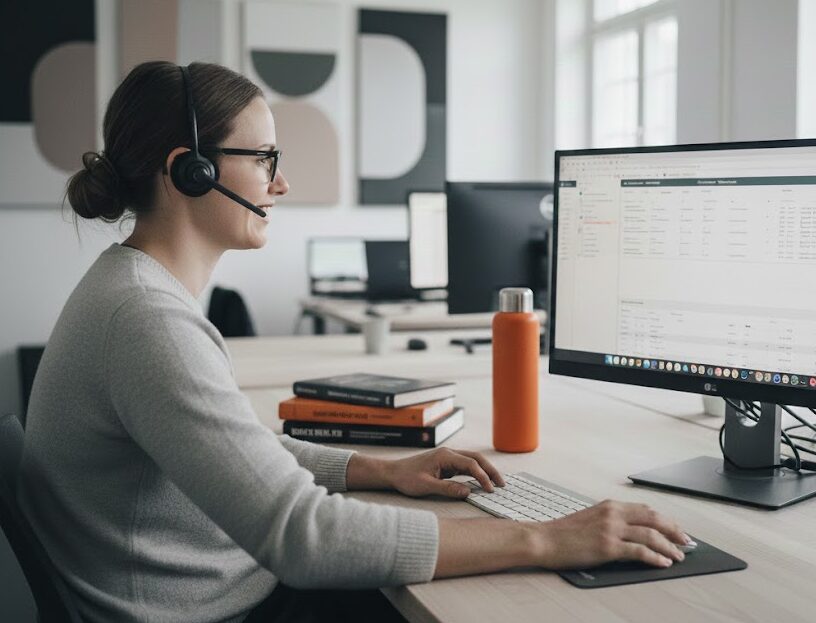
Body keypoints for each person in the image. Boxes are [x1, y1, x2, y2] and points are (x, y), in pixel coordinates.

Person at [17, 61, 690, 622]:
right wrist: (546, 536)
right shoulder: (147, 320)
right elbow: (304, 537)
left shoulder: (137, 292)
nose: (281, 182)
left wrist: (378, 468)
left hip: (217, 593)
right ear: (189, 170)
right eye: (264, 158)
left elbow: (240, 452)